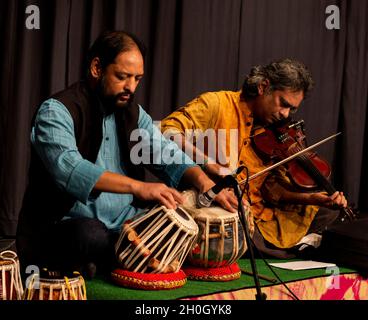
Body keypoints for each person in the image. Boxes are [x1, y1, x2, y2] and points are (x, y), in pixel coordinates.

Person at [16, 30, 239, 279]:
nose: (130, 87)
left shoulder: (132, 112)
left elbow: (165, 153)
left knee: (178, 215)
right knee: (90, 235)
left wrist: (207, 184)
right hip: (64, 226)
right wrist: (138, 187)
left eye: (137, 79)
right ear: (97, 68)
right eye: (122, 77)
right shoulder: (57, 111)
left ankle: (110, 259)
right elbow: (70, 168)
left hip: (126, 225)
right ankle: (114, 258)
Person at [160, 58, 348, 258]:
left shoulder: (275, 133)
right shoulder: (217, 104)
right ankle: (291, 247)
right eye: (283, 104)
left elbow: (272, 191)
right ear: (263, 86)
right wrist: (208, 163)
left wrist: (310, 198)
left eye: (291, 109)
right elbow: (167, 132)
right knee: (237, 231)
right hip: (220, 205)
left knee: (328, 213)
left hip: (259, 214)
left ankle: (282, 245)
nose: (285, 114)